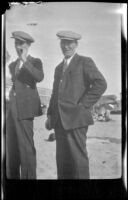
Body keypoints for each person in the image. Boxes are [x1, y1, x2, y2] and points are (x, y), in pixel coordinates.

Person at [45, 30, 107, 179]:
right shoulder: (58, 68)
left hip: (77, 120)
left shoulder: (85, 62)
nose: (66, 46)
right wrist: (49, 115)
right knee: (63, 162)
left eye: (70, 43)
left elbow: (101, 84)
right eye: (63, 43)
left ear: (76, 44)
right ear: (60, 44)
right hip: (59, 122)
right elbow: (55, 94)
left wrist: (83, 105)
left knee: (78, 162)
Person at [6, 31, 44, 179]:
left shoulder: (35, 61)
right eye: (16, 43)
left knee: (26, 149)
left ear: (28, 45)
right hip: (10, 110)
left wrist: (24, 60)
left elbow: (39, 77)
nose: (18, 46)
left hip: (25, 111)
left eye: (21, 43)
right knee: (12, 150)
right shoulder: (12, 65)